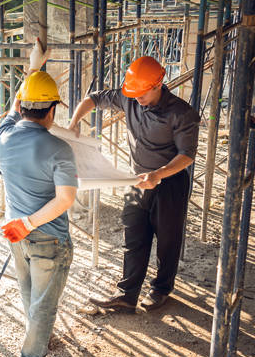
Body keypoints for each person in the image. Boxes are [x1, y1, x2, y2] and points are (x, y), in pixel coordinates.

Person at [68, 56, 200, 312]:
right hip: (135, 180)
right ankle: (127, 294)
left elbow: (187, 155)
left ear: (157, 84)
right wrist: (74, 124)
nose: (137, 98)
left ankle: (161, 290)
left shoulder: (182, 113)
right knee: (134, 235)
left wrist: (159, 174)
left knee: (167, 240)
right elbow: (93, 99)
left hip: (169, 184)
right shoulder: (129, 97)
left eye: (142, 93)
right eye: (134, 93)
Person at [0, 42, 78, 357]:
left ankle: (38, 339)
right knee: (45, 303)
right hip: (46, 235)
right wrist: (30, 223)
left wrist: (33, 67)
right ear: (52, 110)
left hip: (14, 230)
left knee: (29, 291)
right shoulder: (59, 147)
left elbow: (17, 103)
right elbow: (65, 200)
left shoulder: (3, 136)